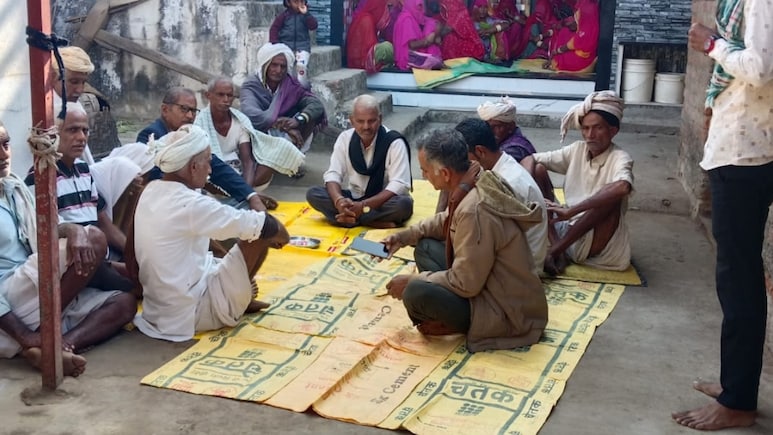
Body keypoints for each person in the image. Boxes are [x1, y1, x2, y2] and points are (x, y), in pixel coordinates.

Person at [672, 1, 773, 430]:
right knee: (739, 278)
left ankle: (739, 401)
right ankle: (737, 385)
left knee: (739, 281)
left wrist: (711, 44)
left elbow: (760, 67)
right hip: (744, 146)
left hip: (746, 153)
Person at [381, 129, 547, 352]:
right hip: (487, 282)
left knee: (415, 292)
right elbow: (447, 221)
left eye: (425, 170)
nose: (423, 176)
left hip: (505, 310)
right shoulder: (474, 178)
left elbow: (465, 283)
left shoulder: (473, 209)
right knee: (425, 247)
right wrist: (406, 236)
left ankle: (462, 323)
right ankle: (446, 313)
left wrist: (413, 281)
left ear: (445, 173)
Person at [0, 120, 136, 374]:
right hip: (9, 297)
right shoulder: (31, 179)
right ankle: (41, 335)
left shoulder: (13, 187)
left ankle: (57, 350)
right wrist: (25, 335)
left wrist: (72, 230)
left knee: (125, 303)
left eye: (6, 144)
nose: (3, 154)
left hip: (35, 289)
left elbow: (51, 225)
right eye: (73, 130)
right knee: (94, 240)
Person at [133, 125, 290, 342]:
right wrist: (281, 236)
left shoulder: (150, 190)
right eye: (207, 161)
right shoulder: (191, 204)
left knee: (223, 250)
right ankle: (237, 301)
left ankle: (239, 291)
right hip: (190, 313)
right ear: (193, 167)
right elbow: (264, 226)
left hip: (158, 311)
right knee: (258, 234)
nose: (210, 170)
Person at [521, 90, 633, 275]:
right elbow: (529, 159)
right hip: (563, 231)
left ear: (613, 131)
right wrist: (524, 184)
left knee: (611, 199)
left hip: (593, 241)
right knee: (538, 168)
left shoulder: (620, 158)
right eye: (585, 128)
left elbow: (623, 187)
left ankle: (555, 250)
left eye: (598, 128)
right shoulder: (577, 150)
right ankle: (558, 247)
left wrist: (572, 210)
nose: (590, 135)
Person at [137, 87, 271, 212]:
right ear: (165, 110)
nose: (190, 116)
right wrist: (204, 191)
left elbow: (217, 167)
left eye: (194, 111)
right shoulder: (150, 136)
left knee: (246, 205)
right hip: (167, 206)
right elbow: (156, 177)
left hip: (192, 199)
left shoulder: (190, 134)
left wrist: (250, 194)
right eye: (184, 109)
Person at [455, 118, 547, 274]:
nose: (463, 162)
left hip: (517, 272)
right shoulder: (498, 167)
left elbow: (486, 237)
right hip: (516, 259)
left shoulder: (507, 181)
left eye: (464, 157)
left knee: (431, 252)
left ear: (480, 152)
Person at [306, 94, 413, 228]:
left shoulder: (394, 142)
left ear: (380, 119)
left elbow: (398, 184)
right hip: (353, 198)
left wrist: (363, 206)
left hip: (381, 202)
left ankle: (348, 219)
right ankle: (370, 221)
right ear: (352, 120)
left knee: (403, 205)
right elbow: (333, 174)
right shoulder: (345, 138)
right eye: (360, 121)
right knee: (313, 194)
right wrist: (339, 201)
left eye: (371, 121)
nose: (366, 126)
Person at [194, 76, 305, 191]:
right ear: (208, 96)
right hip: (213, 175)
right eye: (220, 95)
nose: (226, 99)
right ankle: (241, 195)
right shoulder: (199, 123)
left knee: (279, 148)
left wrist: (246, 191)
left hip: (238, 173)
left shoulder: (240, 120)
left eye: (229, 95)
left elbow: (248, 161)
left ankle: (242, 194)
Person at [240, 43, 327, 153]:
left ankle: (293, 157)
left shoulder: (290, 84)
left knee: (310, 117)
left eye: (283, 66)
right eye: (274, 65)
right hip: (260, 133)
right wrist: (285, 127)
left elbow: (316, 104)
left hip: (285, 132)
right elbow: (251, 113)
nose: (278, 70)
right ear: (265, 65)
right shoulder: (251, 85)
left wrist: (298, 120)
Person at [49, 46, 121, 159]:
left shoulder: (74, 105)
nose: (80, 90)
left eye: (83, 82)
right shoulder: (43, 110)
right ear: (53, 77)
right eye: (74, 82)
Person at [269, 0, 318, 88]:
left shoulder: (306, 16)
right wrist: (275, 44)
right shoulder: (284, 16)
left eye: (301, 1)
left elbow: (313, 26)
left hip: (302, 47)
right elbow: (274, 29)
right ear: (288, 3)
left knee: (301, 67)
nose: (299, 4)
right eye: (296, 2)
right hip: (286, 47)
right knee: (287, 69)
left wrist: (306, 14)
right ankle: (287, 88)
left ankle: (302, 87)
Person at [545, 0, 599, 73]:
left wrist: (558, 51)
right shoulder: (582, 4)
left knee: (558, 60)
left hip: (583, 55)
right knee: (564, 32)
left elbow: (583, 36)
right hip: (580, 41)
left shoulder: (587, 9)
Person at [346, 0, 399, 72]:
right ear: (377, 7)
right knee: (387, 48)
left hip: (362, 58)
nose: (386, 12)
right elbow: (365, 51)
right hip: (360, 62)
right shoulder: (366, 20)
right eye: (385, 7)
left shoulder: (372, 20)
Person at [477, 97, 536, 162]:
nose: (490, 131)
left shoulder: (513, 149)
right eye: (487, 126)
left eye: (496, 126)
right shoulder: (502, 141)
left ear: (511, 126)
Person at [392, 0, 444, 70]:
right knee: (435, 61)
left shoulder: (414, 16)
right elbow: (412, 45)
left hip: (414, 57)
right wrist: (427, 41)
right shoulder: (406, 19)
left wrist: (436, 34)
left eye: (421, 6)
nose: (421, 9)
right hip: (407, 61)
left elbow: (435, 23)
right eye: (419, 6)